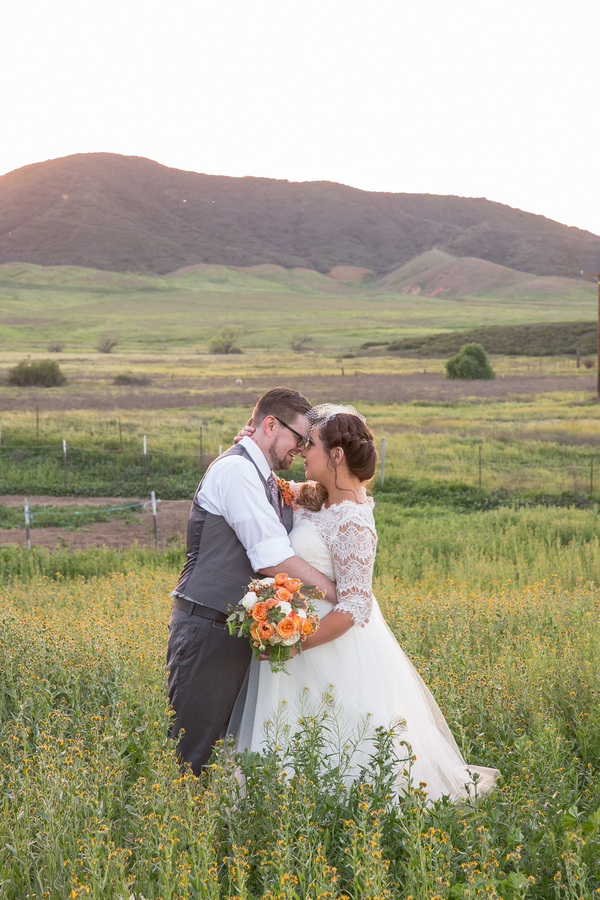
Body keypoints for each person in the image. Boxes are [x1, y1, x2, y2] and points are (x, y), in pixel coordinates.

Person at [236, 404, 499, 802]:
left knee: (337, 737)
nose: (304, 452)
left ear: (336, 456)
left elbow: (356, 606)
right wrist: (253, 449)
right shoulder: (318, 497)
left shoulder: (355, 522)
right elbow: (277, 489)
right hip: (300, 631)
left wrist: (293, 644)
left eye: (312, 445)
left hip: (326, 645)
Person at [166, 388, 337, 775]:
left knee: (224, 758)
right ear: (270, 425)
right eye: (299, 437)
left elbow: (300, 496)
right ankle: (180, 832)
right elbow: (271, 558)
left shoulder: (264, 477)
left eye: (309, 442)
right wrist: (338, 594)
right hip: (208, 628)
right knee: (193, 756)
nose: (302, 447)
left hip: (236, 632)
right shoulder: (238, 471)